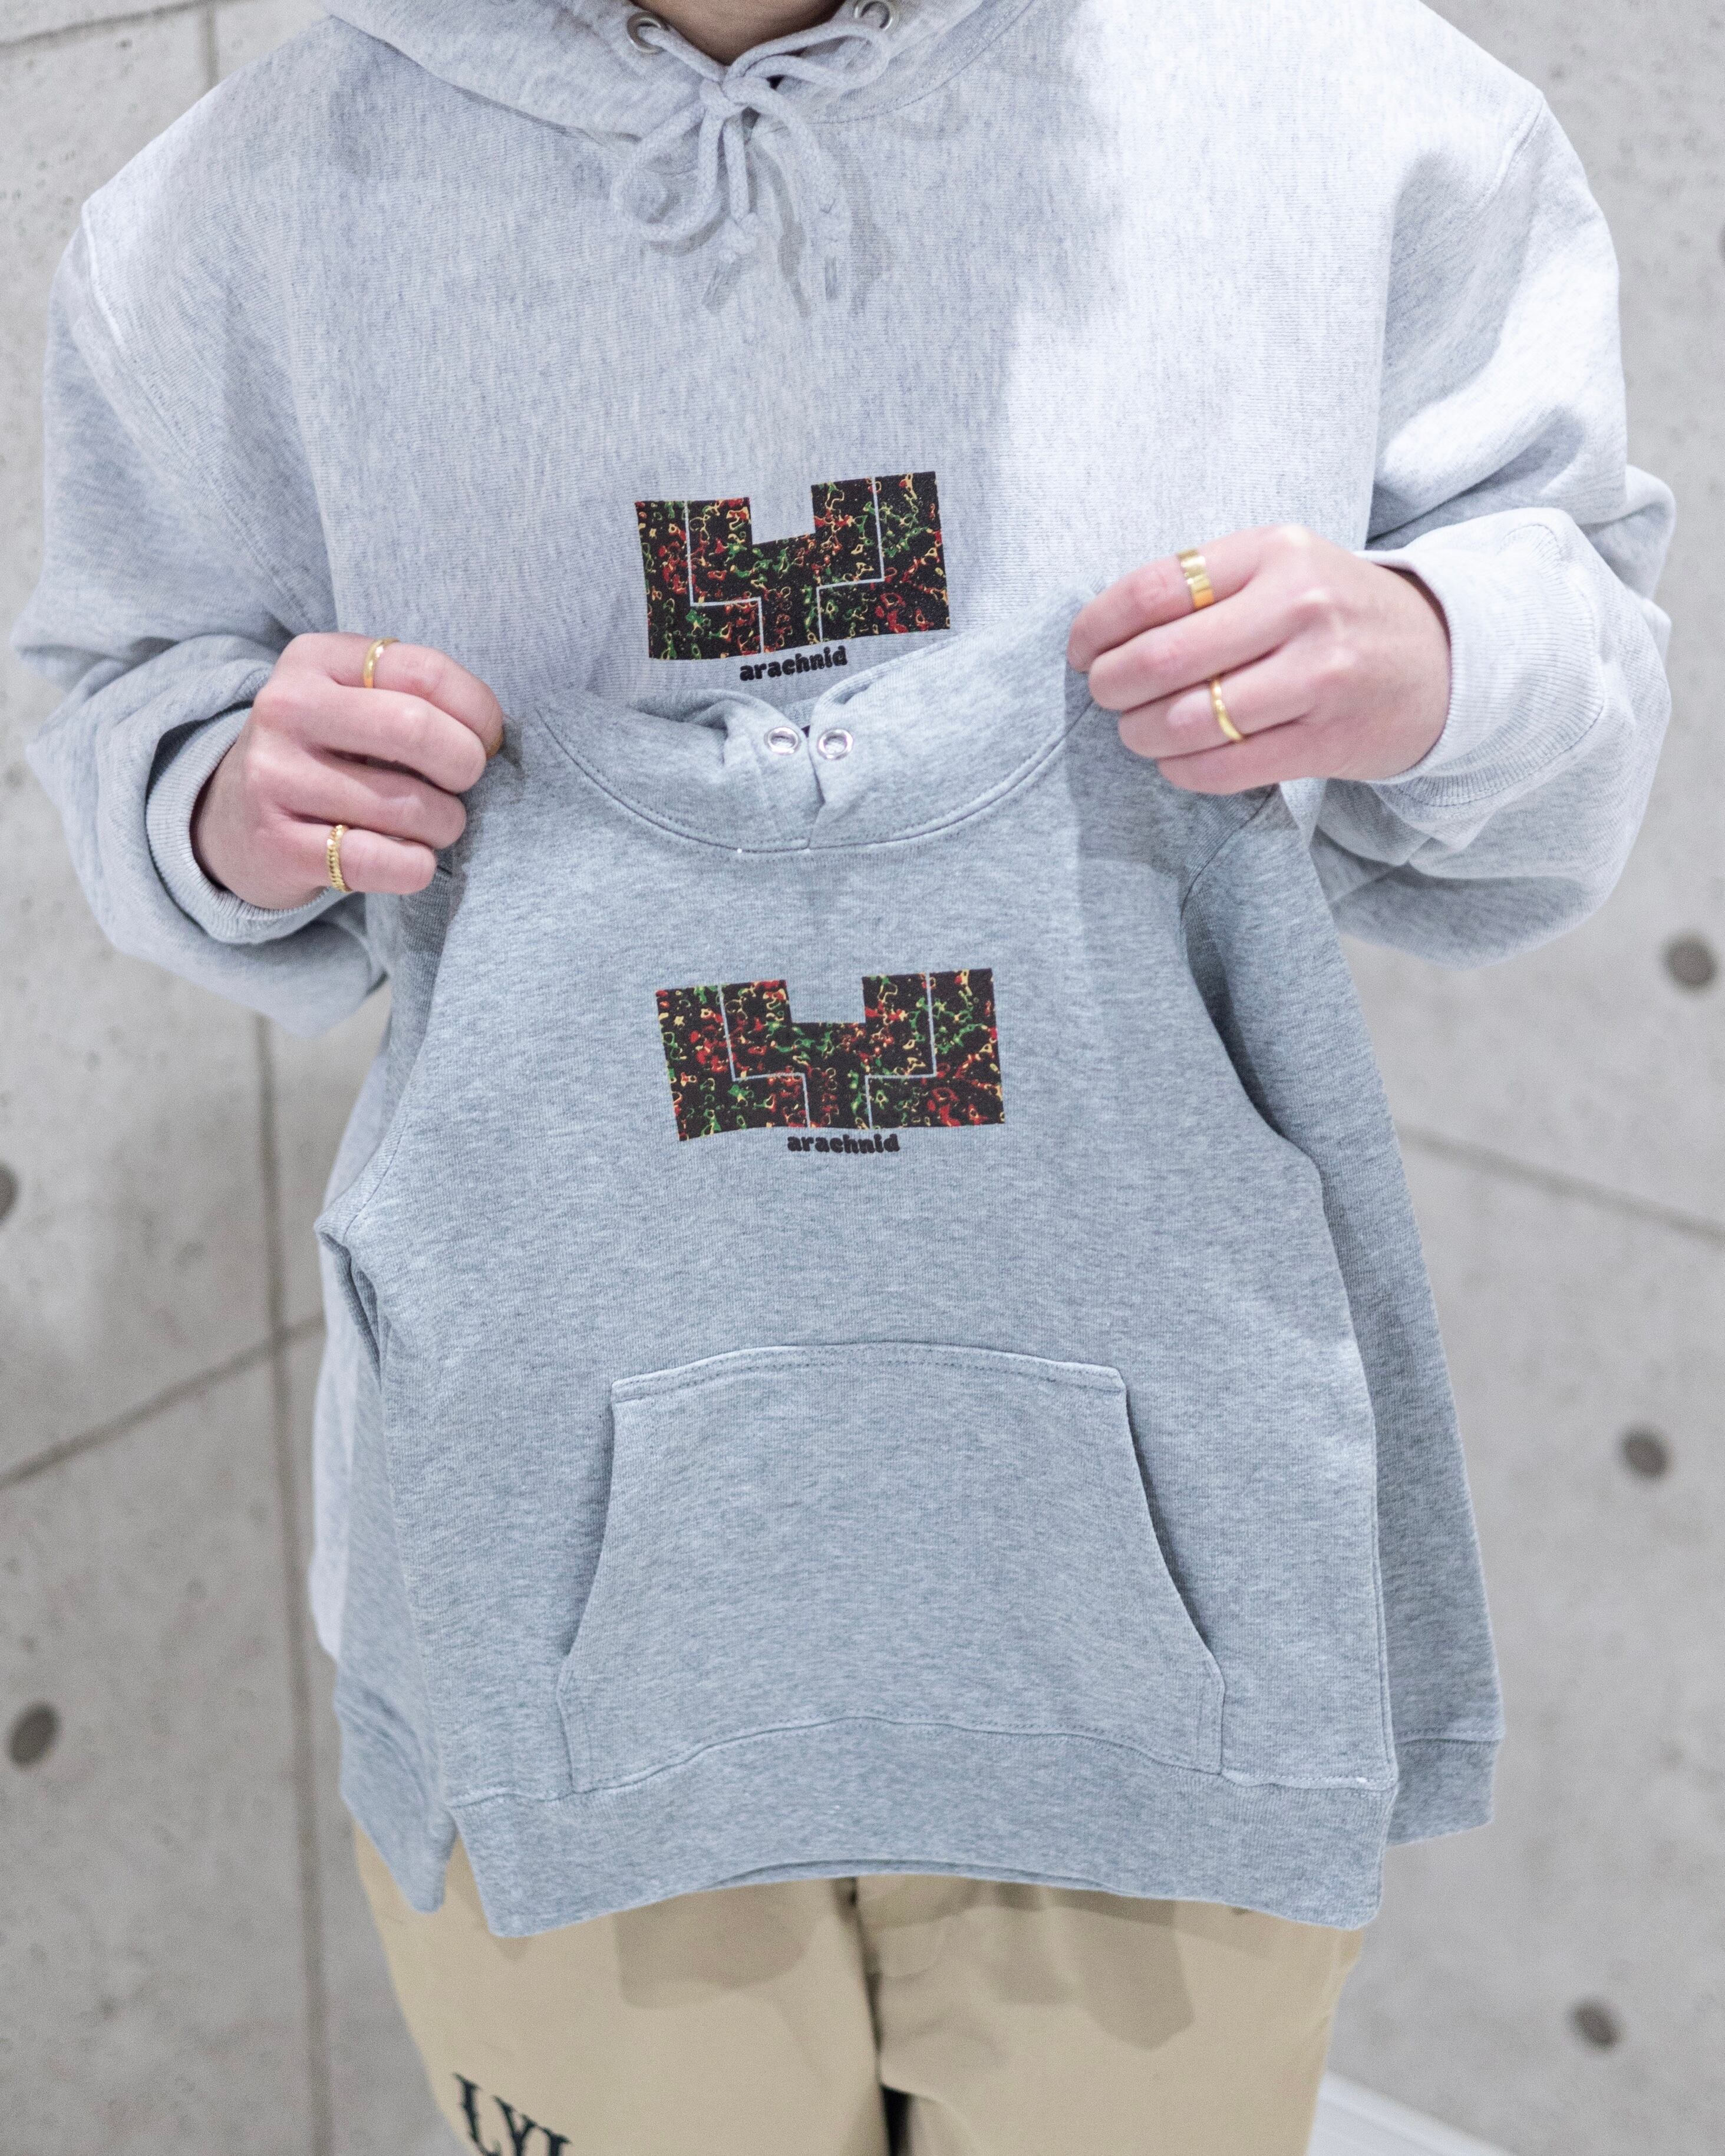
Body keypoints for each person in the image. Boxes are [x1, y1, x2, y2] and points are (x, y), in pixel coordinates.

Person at [14, 0, 1673, 2150]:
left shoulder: (1355, 113)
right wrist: (224, 798)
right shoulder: (226, 222)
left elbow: (1583, 636)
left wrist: (1449, 656)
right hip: (573, 1624)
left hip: (1146, 1617)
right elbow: (121, 705)